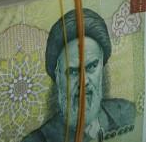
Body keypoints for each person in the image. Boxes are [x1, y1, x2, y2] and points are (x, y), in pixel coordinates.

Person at [22, 9, 136, 142]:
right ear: (57, 77)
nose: (84, 82)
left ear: (102, 66)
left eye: (92, 66)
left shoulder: (127, 113)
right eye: (73, 71)